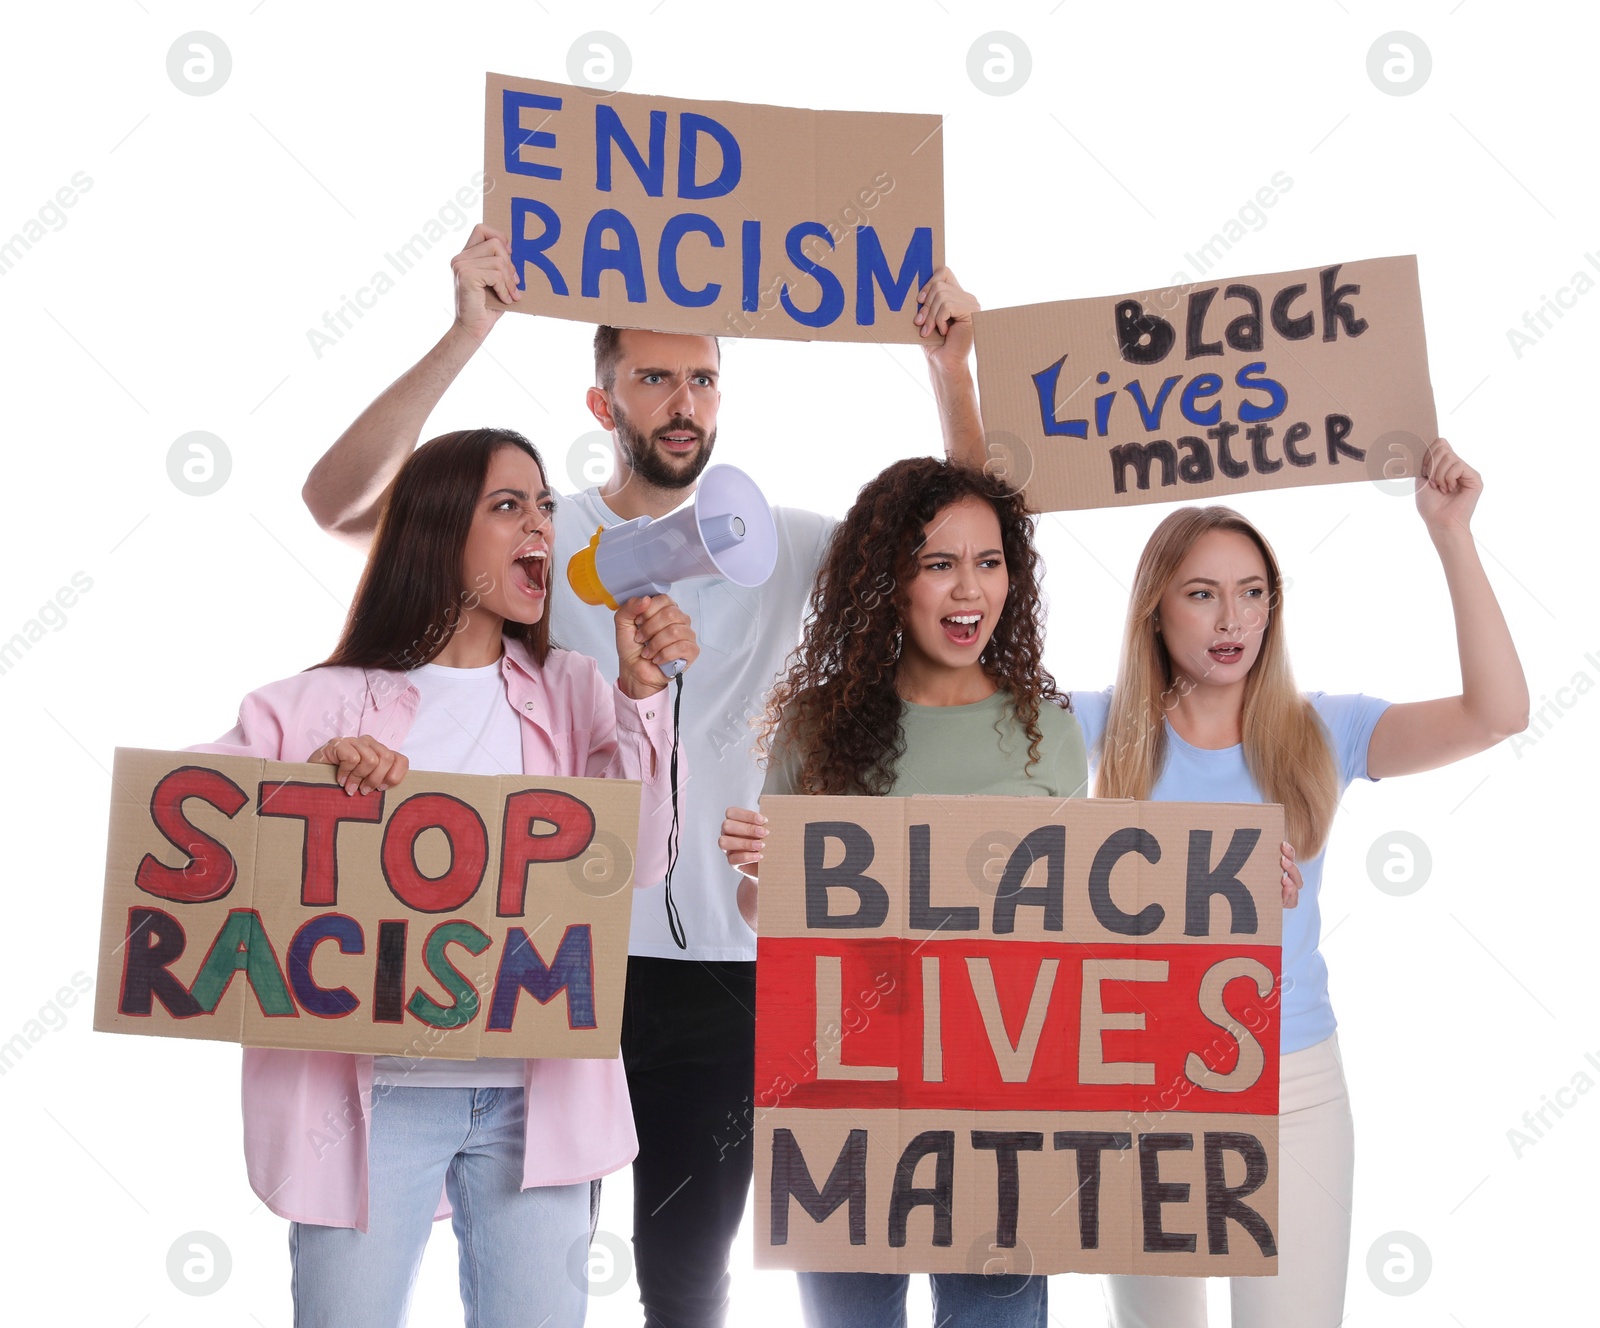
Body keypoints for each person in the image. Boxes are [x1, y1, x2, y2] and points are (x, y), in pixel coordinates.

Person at [301, 224, 987, 1327]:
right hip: (553, 948)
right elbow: (337, 503)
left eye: (704, 378)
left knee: (683, 1272)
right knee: (532, 1256)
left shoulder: (790, 544)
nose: (683, 400)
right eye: (654, 376)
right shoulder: (535, 539)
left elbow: (972, 545)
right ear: (601, 400)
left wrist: (950, 373)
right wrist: (466, 330)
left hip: (721, 969)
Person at [192, 427, 698, 1328]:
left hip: (533, 1095)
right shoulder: (314, 705)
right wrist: (310, 783)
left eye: (544, 504)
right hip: (369, 1102)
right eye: (508, 505)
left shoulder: (580, 688)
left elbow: (643, 856)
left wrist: (645, 695)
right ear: (433, 529)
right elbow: (181, 823)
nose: (539, 521)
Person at [1071, 438, 1527, 1327]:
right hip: (1139, 1079)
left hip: (1293, 1085)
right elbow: (958, 743)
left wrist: (1451, 535)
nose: (1231, 617)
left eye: (1251, 592)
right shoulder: (1098, 727)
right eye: (1202, 594)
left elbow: (1498, 714)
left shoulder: (1325, 731)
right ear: (1155, 613)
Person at [719, 456, 1079, 1327]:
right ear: (890, 581)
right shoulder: (815, 727)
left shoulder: (1047, 730)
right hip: (849, 1099)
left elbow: (1080, 927)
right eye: (940, 562)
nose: (971, 590)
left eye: (989, 562)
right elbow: (773, 926)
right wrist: (767, 877)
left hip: (1001, 1107)